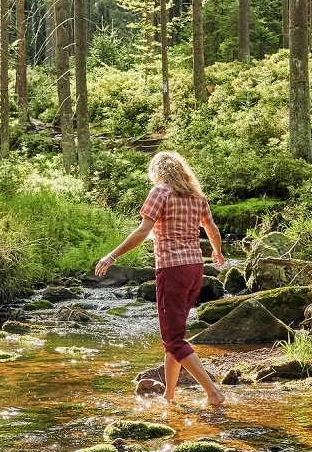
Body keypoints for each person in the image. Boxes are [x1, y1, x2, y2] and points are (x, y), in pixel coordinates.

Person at [95, 151, 227, 407]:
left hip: (172, 270)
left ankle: (213, 393)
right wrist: (218, 252)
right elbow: (212, 229)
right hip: (196, 268)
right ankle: (169, 395)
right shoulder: (196, 197)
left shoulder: (160, 192)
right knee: (174, 335)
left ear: (158, 172)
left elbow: (144, 230)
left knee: (173, 339)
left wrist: (112, 256)